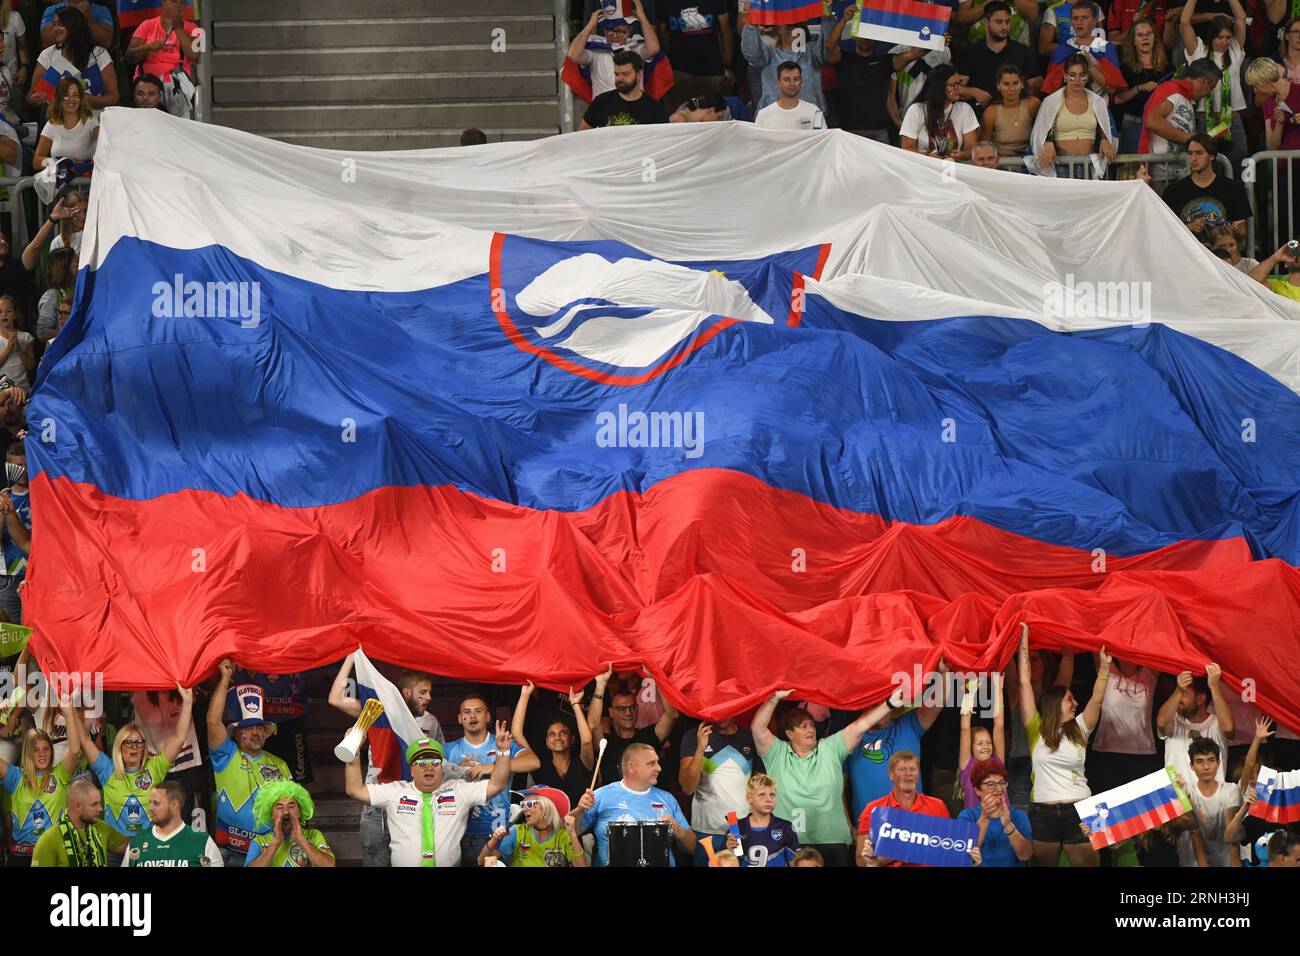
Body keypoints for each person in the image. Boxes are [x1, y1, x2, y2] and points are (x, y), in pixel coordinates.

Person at [751, 687, 898, 866]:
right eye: (803, 726)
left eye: (812, 725)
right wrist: (774, 699)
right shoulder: (776, 753)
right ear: (789, 734)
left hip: (833, 841)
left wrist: (889, 704)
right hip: (790, 842)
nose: (811, 729)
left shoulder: (830, 748)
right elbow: (757, 728)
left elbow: (860, 726)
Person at [328, 655, 444, 867]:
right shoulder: (378, 712)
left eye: (430, 693)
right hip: (377, 804)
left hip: (413, 805)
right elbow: (335, 699)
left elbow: (439, 765)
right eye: (423, 692)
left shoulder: (431, 722)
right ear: (407, 692)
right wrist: (351, 659)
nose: (428, 697)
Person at [345, 729, 512, 867]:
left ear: (442, 768)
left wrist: (503, 752)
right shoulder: (396, 791)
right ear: (411, 770)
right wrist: (353, 754)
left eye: (435, 762)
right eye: (422, 762)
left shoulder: (459, 790)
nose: (429, 767)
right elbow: (355, 790)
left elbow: (497, 784)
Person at [1018, 625, 1109, 866]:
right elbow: (1024, 683)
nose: (1075, 703)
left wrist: (1106, 668)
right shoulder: (1035, 729)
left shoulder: (1080, 727)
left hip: (1080, 811)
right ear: (1055, 703)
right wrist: (1023, 641)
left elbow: (1098, 697)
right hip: (1043, 814)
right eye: (1070, 699)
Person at [206, 658, 293, 866]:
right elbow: (212, 721)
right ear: (235, 733)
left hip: (270, 850)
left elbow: (292, 806)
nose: (255, 732)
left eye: (259, 727)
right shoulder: (226, 756)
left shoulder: (280, 764)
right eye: (248, 728)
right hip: (231, 853)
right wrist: (226, 678)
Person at [82, 686, 193, 839]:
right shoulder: (107, 769)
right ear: (119, 747)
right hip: (115, 851)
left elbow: (179, 738)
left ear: (144, 747)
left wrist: (187, 702)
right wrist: (71, 709)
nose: (134, 746)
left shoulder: (154, 768)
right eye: (128, 742)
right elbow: (84, 740)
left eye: (139, 742)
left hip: (147, 849)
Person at [443, 693, 539, 866]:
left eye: (478, 711)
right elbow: (432, 785)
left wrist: (492, 766)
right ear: (460, 718)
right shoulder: (448, 749)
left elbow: (533, 762)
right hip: (460, 835)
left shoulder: (502, 742)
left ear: (488, 716)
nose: (472, 716)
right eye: (467, 712)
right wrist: (456, 770)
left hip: (499, 833)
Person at [574, 741, 697, 866]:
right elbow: (570, 831)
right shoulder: (600, 796)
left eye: (658, 762)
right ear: (631, 767)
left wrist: (678, 830)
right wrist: (579, 810)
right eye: (651, 763)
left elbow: (693, 848)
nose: (659, 768)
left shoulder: (668, 799)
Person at [1, 699, 82, 866]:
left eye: (46, 749)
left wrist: (68, 714)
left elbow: (74, 751)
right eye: (36, 749)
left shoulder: (59, 775)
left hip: (54, 854)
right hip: (21, 857)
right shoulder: (15, 777)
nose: (42, 754)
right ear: (27, 752)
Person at [857, 749, 963, 867]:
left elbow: (947, 852)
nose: (908, 773)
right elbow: (860, 861)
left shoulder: (938, 807)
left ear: (918, 774)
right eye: (902, 769)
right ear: (891, 775)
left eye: (912, 769)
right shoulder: (873, 810)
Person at [679, 712, 758, 865]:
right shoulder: (693, 736)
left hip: (741, 829)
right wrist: (700, 749)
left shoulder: (749, 737)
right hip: (706, 831)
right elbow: (687, 788)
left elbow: (760, 784)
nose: (720, 714)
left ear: (736, 708)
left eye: (725, 708)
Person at [1180, 0, 1247, 173]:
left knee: (1238, 171)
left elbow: (1241, 19)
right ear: (1211, 37)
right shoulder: (1199, 52)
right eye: (1220, 38)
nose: (1225, 42)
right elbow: (1184, 22)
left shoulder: (1235, 51)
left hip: (1233, 120)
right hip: (1205, 121)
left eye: (1228, 37)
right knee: (1208, 172)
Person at [586, 664, 679, 785]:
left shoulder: (648, 736)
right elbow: (593, 724)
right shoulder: (606, 743)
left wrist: (656, 678)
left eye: (632, 707)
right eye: (621, 709)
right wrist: (600, 684)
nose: (628, 713)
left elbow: (672, 715)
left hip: (646, 802)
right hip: (615, 802)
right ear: (611, 712)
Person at [1030, 53, 1117, 177]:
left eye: (1082, 75)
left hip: (1089, 164)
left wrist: (1104, 140)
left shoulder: (1098, 102)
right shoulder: (1050, 102)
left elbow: (1106, 131)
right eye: (1072, 75)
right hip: (1060, 165)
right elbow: (1040, 134)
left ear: (1087, 77)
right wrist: (1048, 143)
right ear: (1064, 76)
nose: (1077, 79)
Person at [1139, 58, 1223, 187]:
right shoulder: (1171, 90)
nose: (1208, 94)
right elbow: (1152, 120)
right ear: (1204, 80)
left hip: (1176, 173)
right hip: (1161, 175)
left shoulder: (1184, 98)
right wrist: (1188, 138)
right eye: (1210, 88)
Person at [510, 680, 593, 809]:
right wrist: (524, 695)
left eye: (563, 732)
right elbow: (516, 734)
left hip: (580, 827)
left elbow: (587, 741)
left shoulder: (583, 763)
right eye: (552, 734)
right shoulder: (539, 766)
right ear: (547, 743)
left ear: (572, 739)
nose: (557, 737)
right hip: (550, 827)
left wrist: (575, 704)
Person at [824, 5, 896, 143]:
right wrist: (844, 20)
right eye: (862, 34)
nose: (865, 38)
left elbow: (912, 55)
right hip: (849, 134)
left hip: (879, 134)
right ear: (854, 36)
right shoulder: (843, 59)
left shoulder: (886, 62)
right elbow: (829, 46)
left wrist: (936, 40)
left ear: (874, 38)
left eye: (869, 34)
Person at [1160, 134, 1249, 241]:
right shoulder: (1173, 192)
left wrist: (1234, 230)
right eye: (1190, 153)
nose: (1193, 159)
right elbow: (1166, 231)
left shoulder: (1233, 189)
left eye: (1199, 153)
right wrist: (1189, 228)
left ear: (1212, 156)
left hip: (1220, 254)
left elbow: (1242, 231)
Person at [1155, 663, 1234, 785]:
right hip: (1178, 800)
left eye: (1184, 694)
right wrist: (1179, 689)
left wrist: (1214, 687)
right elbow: (1161, 722)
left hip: (1211, 801)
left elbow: (1229, 729)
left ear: (1200, 699)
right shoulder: (1175, 720)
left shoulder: (1216, 724)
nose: (1179, 699)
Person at [29, 6, 118, 112]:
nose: (55, 28)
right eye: (54, 24)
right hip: (59, 121)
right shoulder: (47, 55)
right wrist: (34, 100)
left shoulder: (99, 54)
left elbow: (113, 97)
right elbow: (31, 95)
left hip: (93, 118)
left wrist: (86, 99)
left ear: (74, 25)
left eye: (60, 24)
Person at [954, 2, 1042, 108]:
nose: (1004, 27)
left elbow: (1036, 83)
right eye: (999, 22)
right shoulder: (970, 52)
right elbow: (956, 87)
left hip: (1015, 112)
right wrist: (974, 92)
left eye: (1007, 22)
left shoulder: (1022, 51)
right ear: (987, 22)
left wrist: (1018, 101)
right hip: (978, 112)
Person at [567, 2, 660, 101]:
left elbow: (653, 49)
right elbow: (573, 55)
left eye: (620, 31)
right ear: (604, 30)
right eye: (610, 30)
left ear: (629, 31)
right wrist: (590, 25)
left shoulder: (636, 47)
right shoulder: (595, 49)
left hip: (634, 109)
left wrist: (642, 17)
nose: (614, 35)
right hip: (603, 110)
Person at [739, 7, 825, 113]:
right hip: (773, 117)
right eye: (787, 25)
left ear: (802, 28)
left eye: (795, 25)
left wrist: (827, 15)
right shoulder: (769, 52)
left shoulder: (812, 52)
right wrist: (751, 23)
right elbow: (751, 54)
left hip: (809, 116)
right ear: (779, 28)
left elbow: (828, 50)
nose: (791, 29)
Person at [122, 780, 224, 867]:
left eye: (156, 803)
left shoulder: (202, 841)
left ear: (174, 805)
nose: (150, 808)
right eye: (150, 803)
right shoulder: (137, 842)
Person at [478, 784, 586, 867]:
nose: (524, 809)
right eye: (523, 804)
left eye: (529, 804)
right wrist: (495, 839)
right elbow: (481, 861)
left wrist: (572, 834)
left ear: (545, 807)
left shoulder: (563, 836)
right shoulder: (517, 831)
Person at [31, 779, 128, 867]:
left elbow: (130, 848)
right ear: (78, 806)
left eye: (99, 803)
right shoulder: (49, 840)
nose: (100, 808)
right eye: (94, 804)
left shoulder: (102, 828)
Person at [657, 0, 732, 111]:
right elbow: (662, 36)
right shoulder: (664, 2)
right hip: (679, 72)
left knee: (717, 118)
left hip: (712, 70)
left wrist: (728, 64)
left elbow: (725, 32)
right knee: (679, 119)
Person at [956, 757, 1032, 866]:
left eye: (1002, 783)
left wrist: (1008, 825)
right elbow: (964, 854)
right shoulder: (967, 816)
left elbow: (1025, 855)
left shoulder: (1018, 816)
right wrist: (984, 818)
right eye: (991, 784)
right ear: (977, 790)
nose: (999, 789)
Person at [1040, 1, 1126, 96]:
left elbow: (1112, 90)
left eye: (1084, 18)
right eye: (1075, 18)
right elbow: (1052, 89)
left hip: (1098, 106)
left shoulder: (1106, 48)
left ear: (1095, 20)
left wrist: (1089, 66)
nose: (1079, 23)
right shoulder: (1062, 50)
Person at [244, 780, 335, 867]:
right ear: (271, 814)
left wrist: (301, 840)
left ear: (300, 812)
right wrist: (275, 843)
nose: (286, 812)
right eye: (280, 807)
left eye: (291, 806)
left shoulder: (314, 836)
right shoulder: (259, 842)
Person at [899, 64, 979, 160]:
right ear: (939, 86)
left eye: (959, 84)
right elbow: (906, 148)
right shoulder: (917, 110)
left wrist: (961, 155)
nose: (958, 89)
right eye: (953, 85)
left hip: (953, 167)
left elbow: (971, 147)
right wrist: (929, 157)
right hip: (924, 167)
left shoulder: (964, 109)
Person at [1181, 738, 1240, 867]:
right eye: (1200, 761)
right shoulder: (1185, 790)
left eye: (1211, 760)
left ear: (1218, 763)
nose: (1206, 767)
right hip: (1193, 862)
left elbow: (1232, 834)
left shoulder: (1231, 789)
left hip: (1226, 861)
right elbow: (1194, 831)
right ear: (1191, 765)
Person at [1113, 18, 1168, 153]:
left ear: (1155, 37)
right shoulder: (1125, 67)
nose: (1145, 38)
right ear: (1133, 40)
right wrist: (1139, 88)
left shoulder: (1166, 65)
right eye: (1140, 35)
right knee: (1131, 170)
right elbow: (1117, 99)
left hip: (1160, 123)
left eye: (1149, 34)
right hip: (1134, 124)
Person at [723, 772, 800, 867]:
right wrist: (729, 851)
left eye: (772, 795)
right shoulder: (736, 828)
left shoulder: (786, 827)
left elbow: (795, 863)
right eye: (762, 795)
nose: (769, 799)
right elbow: (722, 862)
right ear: (749, 798)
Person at [579, 50, 669, 128]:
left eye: (625, 74)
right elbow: (582, 135)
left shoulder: (656, 110)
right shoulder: (601, 101)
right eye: (617, 74)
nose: (619, 79)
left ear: (639, 74)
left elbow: (663, 143)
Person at [33, 77, 98, 179]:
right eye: (66, 95)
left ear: (81, 99)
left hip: (84, 187)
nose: (71, 100)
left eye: (75, 95)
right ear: (59, 99)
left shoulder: (90, 121)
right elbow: (36, 162)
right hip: (58, 187)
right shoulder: (52, 124)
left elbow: (104, 136)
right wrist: (58, 163)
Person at [957, 675, 1004, 809]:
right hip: (976, 827)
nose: (986, 747)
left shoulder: (997, 761)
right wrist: (969, 694)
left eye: (989, 742)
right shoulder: (968, 765)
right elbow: (965, 728)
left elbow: (999, 725)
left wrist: (998, 689)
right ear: (971, 747)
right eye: (980, 743)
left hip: (1001, 825)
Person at [124, 0, 200, 83]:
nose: (178, 5)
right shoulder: (147, 25)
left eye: (181, 3)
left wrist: (178, 28)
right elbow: (129, 57)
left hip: (180, 87)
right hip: (148, 87)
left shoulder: (194, 29)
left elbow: (195, 55)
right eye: (174, 1)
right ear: (163, 2)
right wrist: (148, 47)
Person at [978, 64, 1038, 157]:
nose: (1011, 88)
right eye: (1006, 84)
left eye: (1015, 83)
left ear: (1022, 84)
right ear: (998, 86)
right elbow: (985, 146)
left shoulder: (1032, 104)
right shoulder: (991, 112)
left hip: (1029, 162)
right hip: (1000, 163)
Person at [754, 61, 826, 130]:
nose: (792, 84)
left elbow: (823, 139)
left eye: (796, 79)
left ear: (801, 82)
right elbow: (758, 141)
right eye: (786, 79)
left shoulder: (814, 111)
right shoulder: (763, 115)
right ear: (778, 83)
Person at [40, 0, 114, 50]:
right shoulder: (51, 10)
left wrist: (89, 20)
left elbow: (106, 43)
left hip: (93, 59)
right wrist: (73, 17)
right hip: (59, 59)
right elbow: (46, 43)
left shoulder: (102, 10)